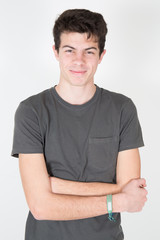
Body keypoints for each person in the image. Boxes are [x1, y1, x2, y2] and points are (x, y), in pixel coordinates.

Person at [11, 8, 148, 240]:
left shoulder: (122, 109)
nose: (79, 61)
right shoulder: (31, 111)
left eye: (89, 51)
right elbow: (41, 207)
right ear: (55, 52)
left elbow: (132, 189)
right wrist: (118, 199)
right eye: (69, 50)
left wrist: (55, 186)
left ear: (102, 55)